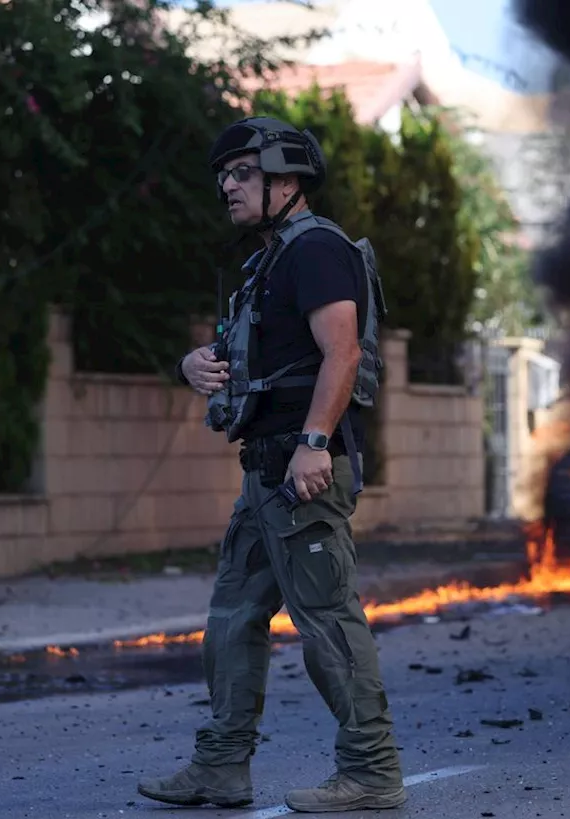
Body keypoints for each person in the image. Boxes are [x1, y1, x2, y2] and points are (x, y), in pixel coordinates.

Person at [136, 116, 405, 813]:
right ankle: (222, 765)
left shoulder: (316, 249)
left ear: (287, 180)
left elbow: (341, 352)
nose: (227, 184)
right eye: (224, 174)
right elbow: (253, 359)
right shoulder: (270, 259)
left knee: (328, 619)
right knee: (232, 615)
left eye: (243, 173)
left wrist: (315, 442)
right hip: (266, 471)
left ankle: (372, 769)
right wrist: (193, 363)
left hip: (302, 468)